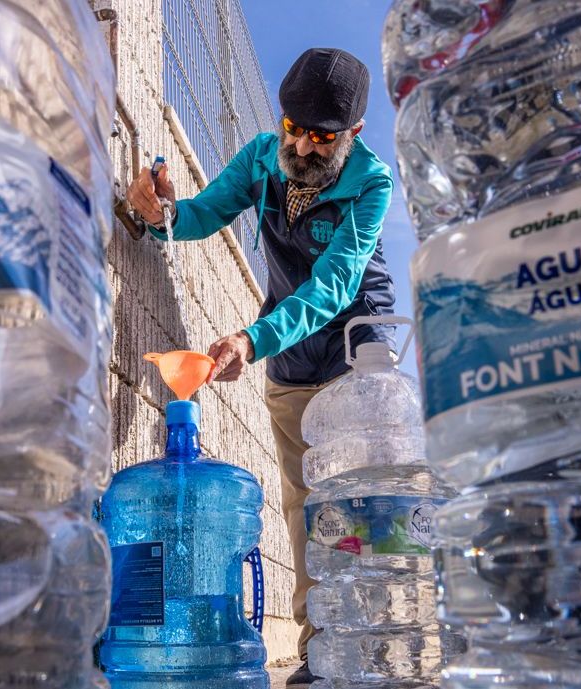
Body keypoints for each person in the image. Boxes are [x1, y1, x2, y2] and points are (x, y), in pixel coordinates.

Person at [127, 47, 396, 688]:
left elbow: (333, 286)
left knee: (358, 504)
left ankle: (376, 645)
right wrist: (163, 213)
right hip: (290, 352)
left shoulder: (372, 184)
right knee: (304, 505)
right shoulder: (260, 158)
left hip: (357, 350)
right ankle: (321, 650)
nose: (300, 147)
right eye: (292, 128)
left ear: (353, 133)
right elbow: (203, 213)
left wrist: (251, 341)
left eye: (321, 137)